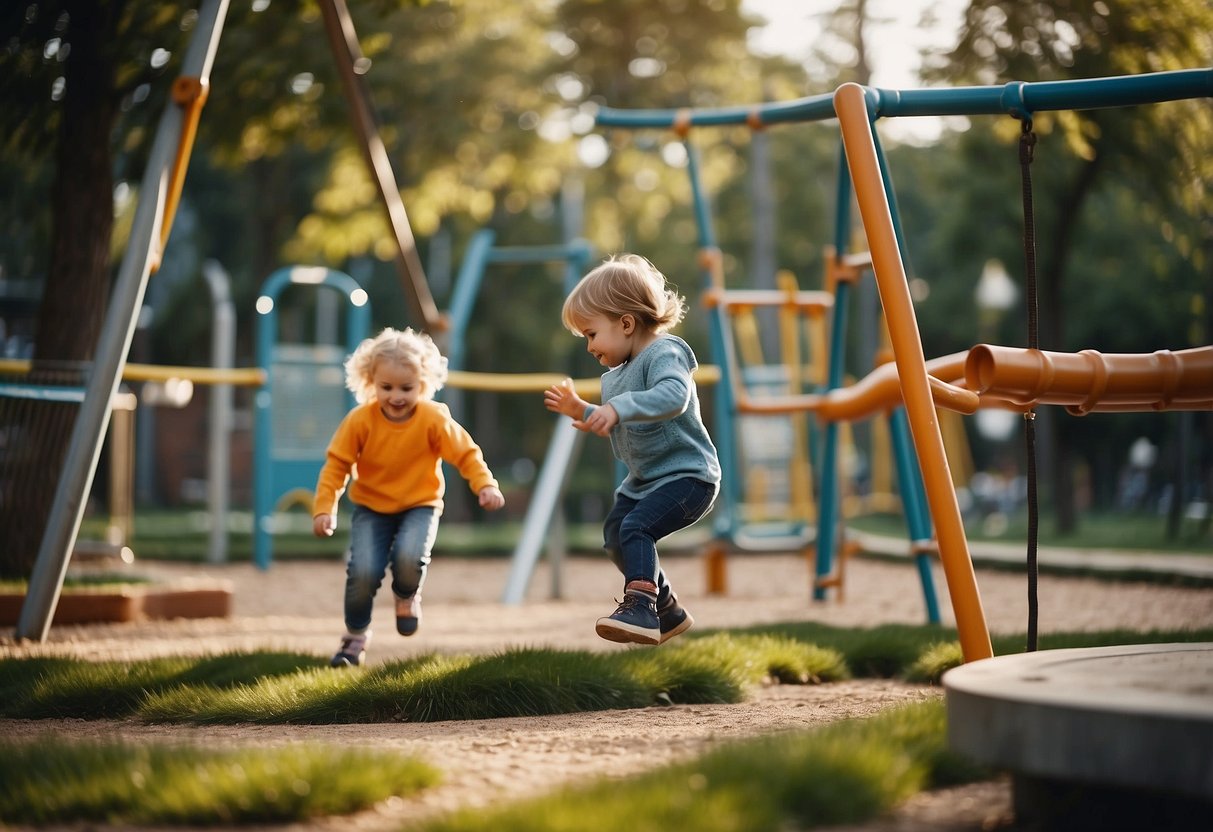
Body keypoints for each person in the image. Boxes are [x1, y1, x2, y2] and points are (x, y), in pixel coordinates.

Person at [544, 253, 720, 646]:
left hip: (689, 477)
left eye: (591, 334)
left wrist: (615, 408)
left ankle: (641, 606)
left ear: (626, 323)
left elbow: (673, 396)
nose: (589, 346)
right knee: (614, 535)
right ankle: (668, 610)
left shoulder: (665, 353)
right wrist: (586, 411)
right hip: (645, 482)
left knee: (636, 527)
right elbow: (621, 420)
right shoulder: (618, 375)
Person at [313, 326, 505, 667]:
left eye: (407, 387)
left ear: (424, 383)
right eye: (386, 388)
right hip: (372, 507)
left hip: (420, 503)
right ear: (371, 383)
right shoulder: (360, 421)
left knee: (409, 557)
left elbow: (465, 453)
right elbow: (336, 466)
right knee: (363, 572)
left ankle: (406, 594)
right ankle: (354, 639)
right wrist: (325, 508)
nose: (396, 396)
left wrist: (485, 485)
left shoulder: (433, 418)